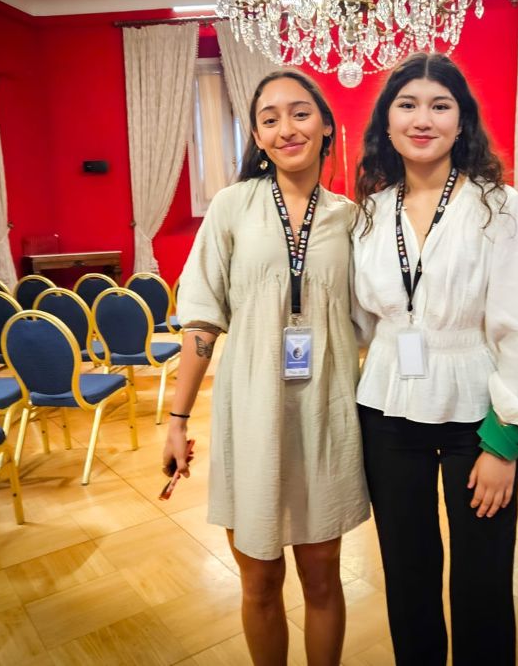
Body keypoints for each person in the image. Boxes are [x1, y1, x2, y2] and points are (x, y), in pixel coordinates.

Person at [351, 52, 518, 666]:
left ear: (461, 121)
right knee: (407, 578)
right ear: (387, 122)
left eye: (439, 106)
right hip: (388, 410)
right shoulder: (369, 213)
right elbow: (361, 322)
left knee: (482, 580)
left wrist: (506, 441)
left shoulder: (498, 205)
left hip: (478, 415)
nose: (423, 119)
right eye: (407, 105)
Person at [162, 70, 369, 666]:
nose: (286, 129)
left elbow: (375, 321)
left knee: (323, 576)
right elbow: (202, 320)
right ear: (256, 135)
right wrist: (177, 419)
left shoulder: (351, 219)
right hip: (250, 410)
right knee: (259, 580)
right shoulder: (232, 207)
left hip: (326, 411)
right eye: (269, 119)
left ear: (326, 125)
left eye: (300, 113)